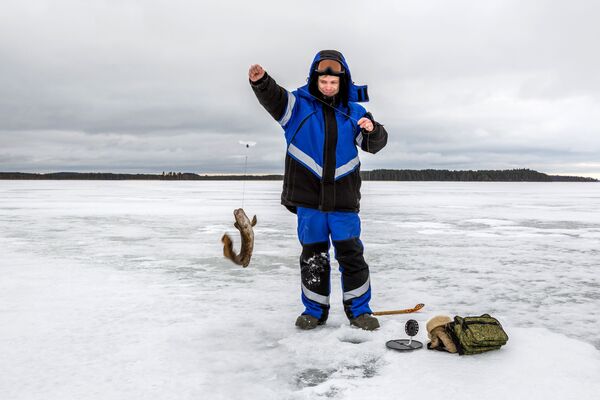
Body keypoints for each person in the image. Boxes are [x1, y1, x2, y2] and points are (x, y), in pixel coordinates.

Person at [248, 50, 388, 331]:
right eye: (323, 82)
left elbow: (375, 144)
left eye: (333, 83)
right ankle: (314, 311)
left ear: (342, 83)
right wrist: (261, 82)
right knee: (313, 258)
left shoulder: (355, 111)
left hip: (343, 200)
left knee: (351, 256)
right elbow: (275, 97)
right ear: (315, 80)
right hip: (309, 201)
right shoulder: (297, 106)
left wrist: (372, 130)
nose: (328, 87)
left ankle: (359, 311)